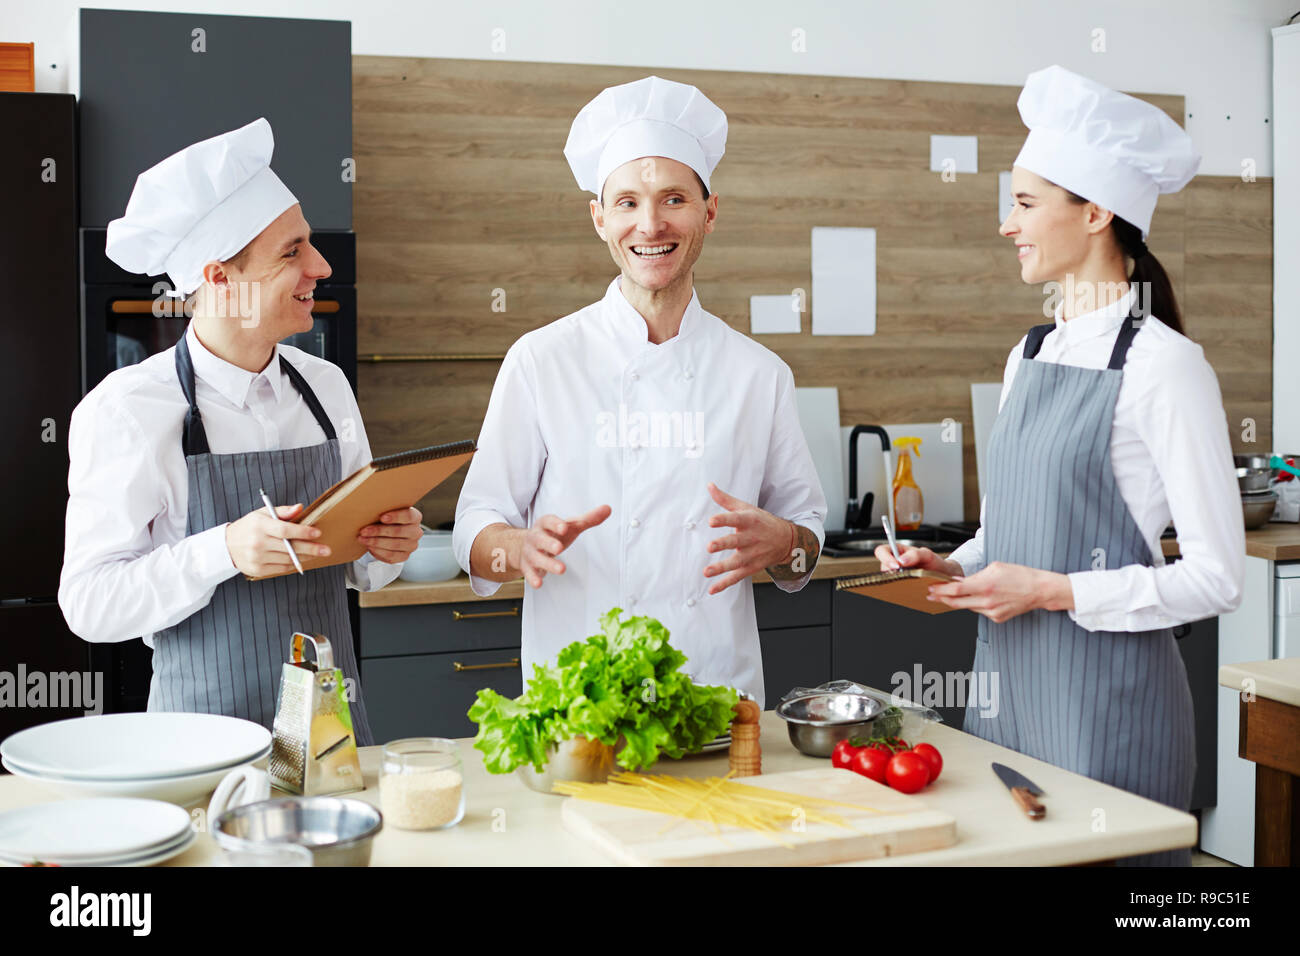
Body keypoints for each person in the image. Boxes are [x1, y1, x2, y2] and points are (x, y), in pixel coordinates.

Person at [877, 65, 1244, 865]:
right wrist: (957, 560)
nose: (1007, 225)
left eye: (1025, 203)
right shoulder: (1030, 352)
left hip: (1111, 708)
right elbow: (1017, 525)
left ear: (1097, 210)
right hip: (1009, 702)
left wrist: (1053, 591)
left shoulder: (1165, 366)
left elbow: (1218, 578)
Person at [453, 76, 827, 707]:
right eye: (626, 202)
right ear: (600, 219)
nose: (649, 223)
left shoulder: (760, 375)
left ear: (710, 211)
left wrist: (787, 543)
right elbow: (474, 532)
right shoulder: (542, 361)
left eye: (673, 198)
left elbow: (805, 550)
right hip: (577, 706)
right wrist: (519, 548)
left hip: (713, 697)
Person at [58, 119, 422, 744]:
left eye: (308, 243)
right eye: (291, 252)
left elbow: (365, 575)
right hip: (197, 750)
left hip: (327, 742)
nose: (320, 265)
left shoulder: (325, 387)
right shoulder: (127, 410)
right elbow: (89, 603)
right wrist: (223, 550)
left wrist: (387, 546)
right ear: (220, 282)